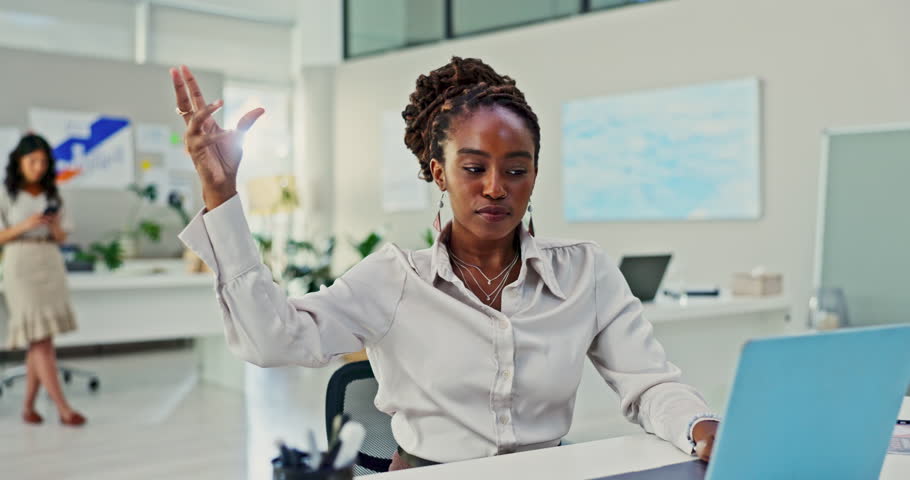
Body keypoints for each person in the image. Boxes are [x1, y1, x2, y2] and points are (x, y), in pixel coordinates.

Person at [170, 58, 719, 471]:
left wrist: (698, 424)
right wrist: (221, 194)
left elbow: (649, 385)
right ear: (438, 173)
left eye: (516, 170)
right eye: (474, 167)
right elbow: (272, 340)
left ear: (534, 175)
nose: (495, 188)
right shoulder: (392, 279)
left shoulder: (585, 273)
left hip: (547, 470)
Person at [0, 134, 85, 426]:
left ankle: (28, 407)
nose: (38, 167)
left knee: (41, 337)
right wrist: (26, 224)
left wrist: (54, 226)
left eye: (43, 162)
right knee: (41, 341)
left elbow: (63, 238)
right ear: (19, 162)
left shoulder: (53, 195)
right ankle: (63, 408)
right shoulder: (5, 193)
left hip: (49, 261)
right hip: (19, 264)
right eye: (32, 160)